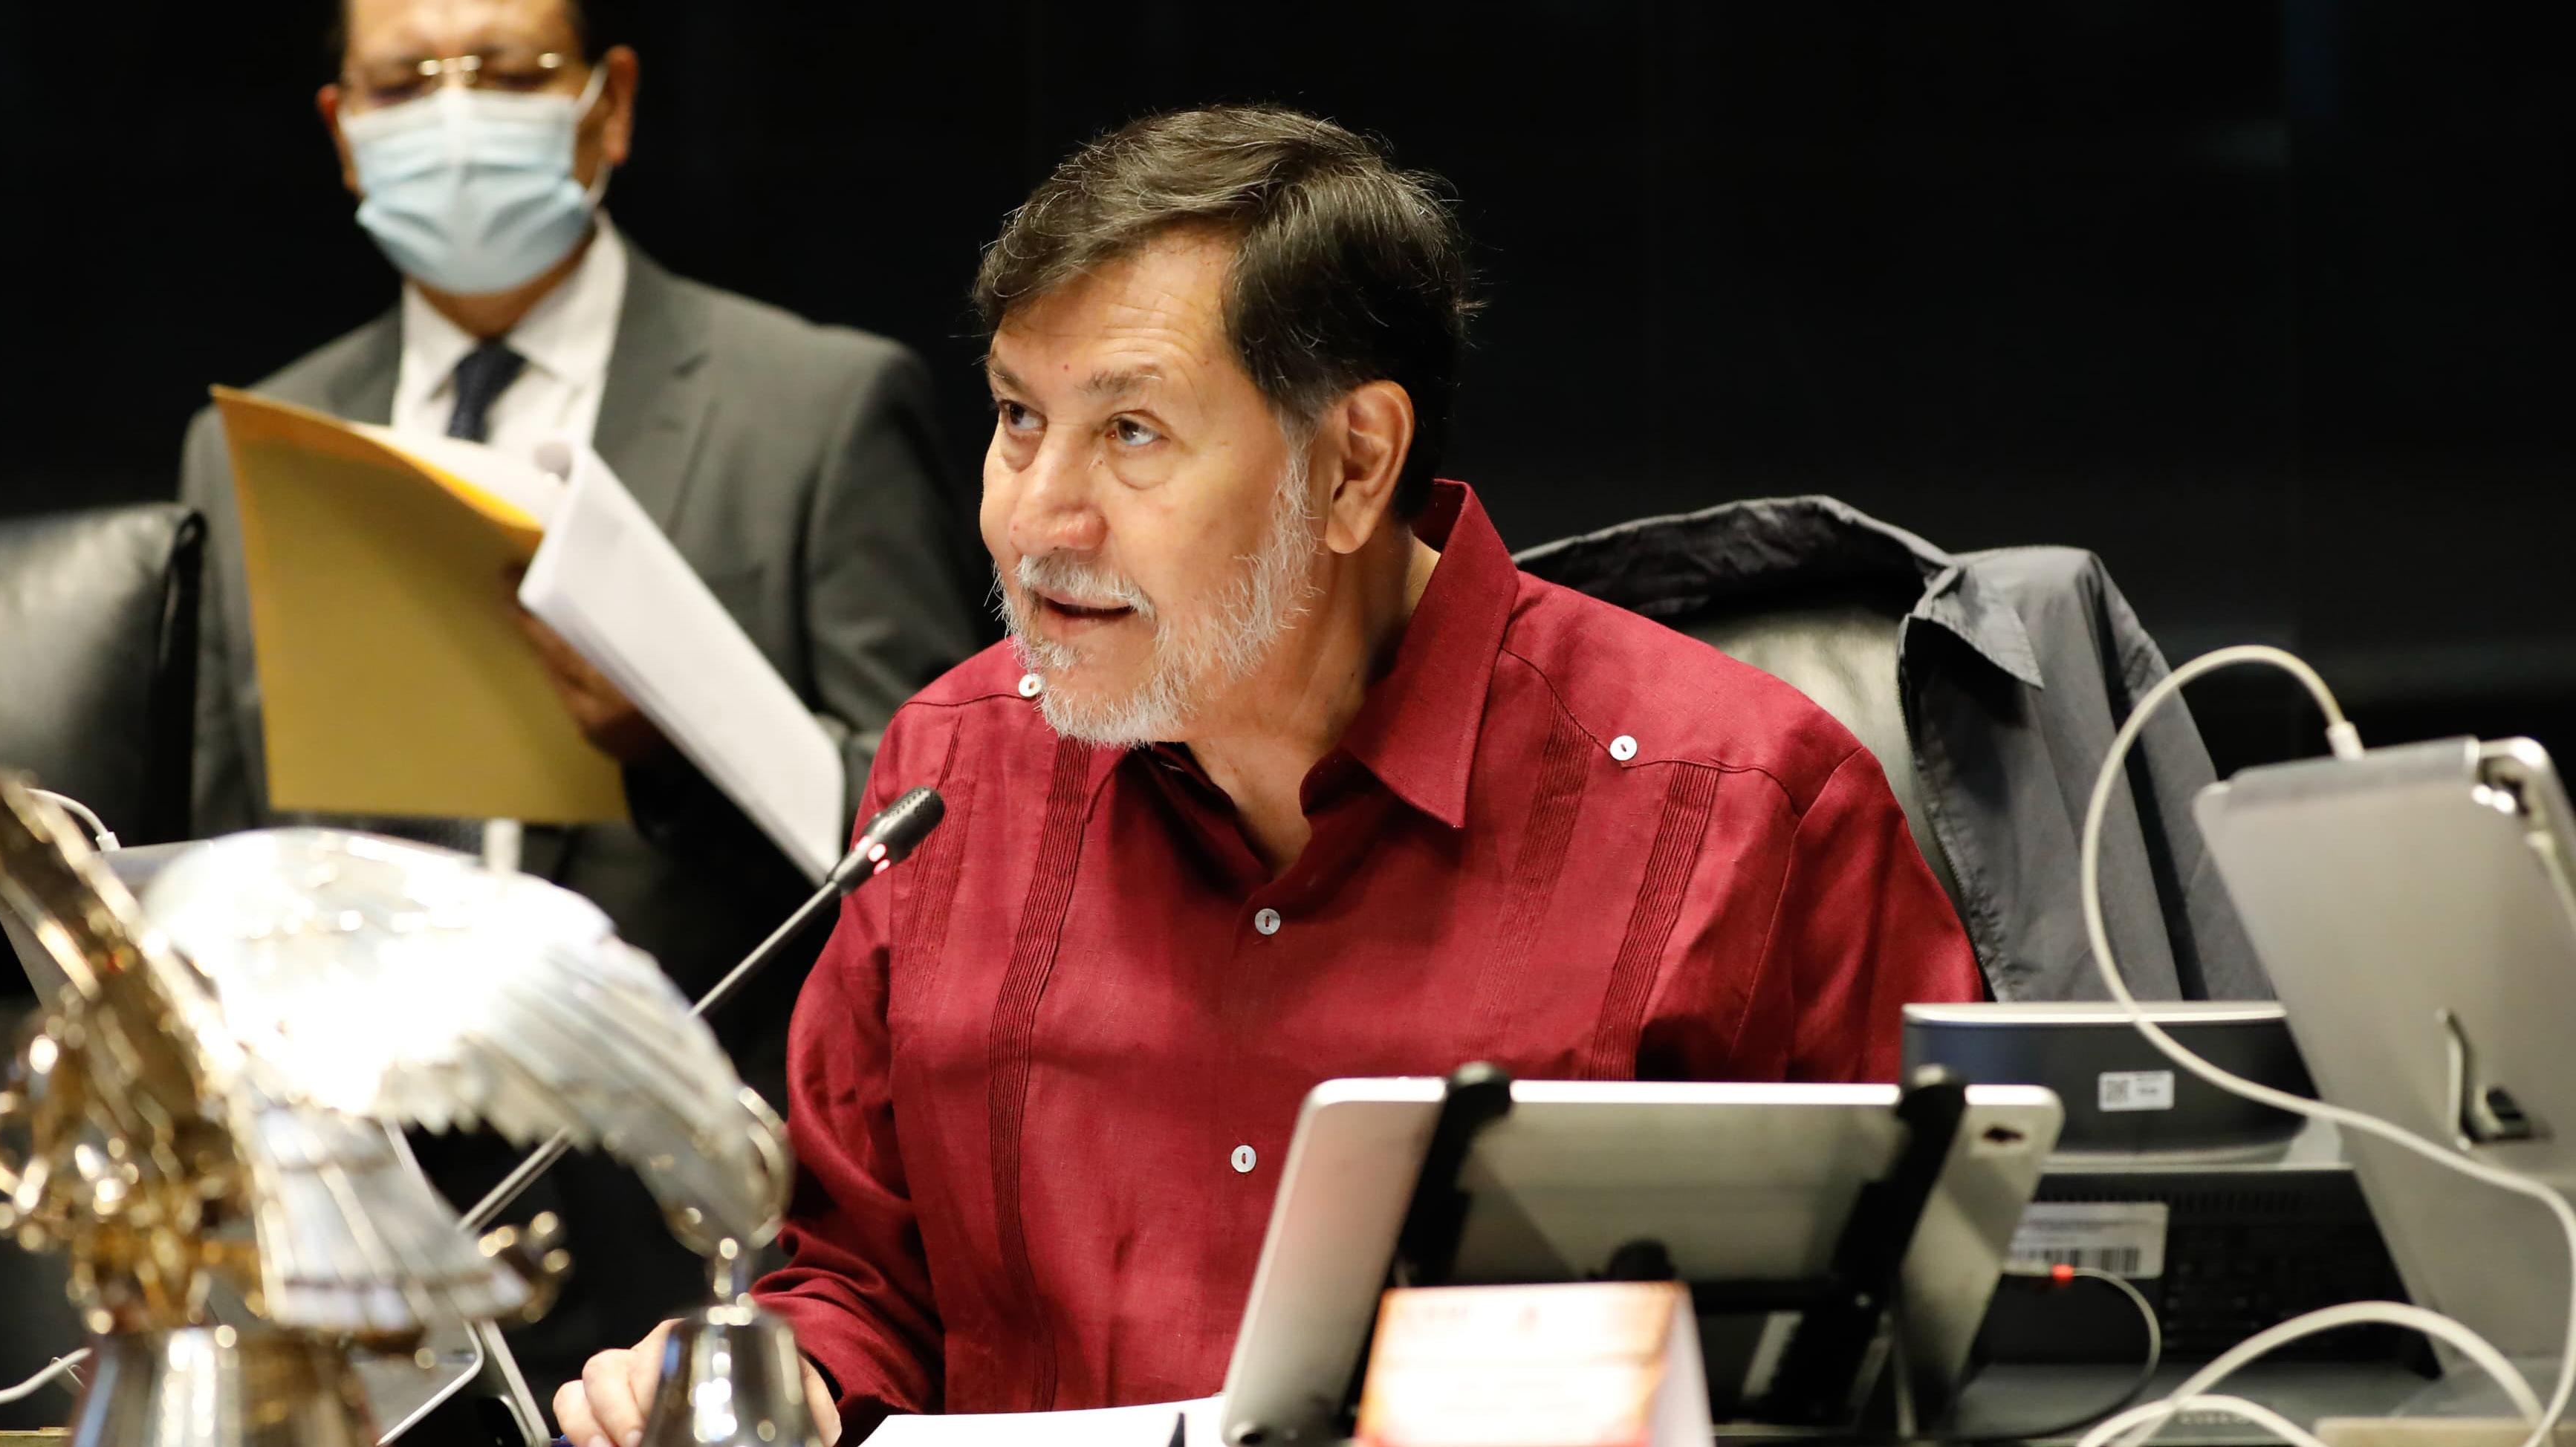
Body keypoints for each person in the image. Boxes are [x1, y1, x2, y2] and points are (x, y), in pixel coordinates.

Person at [554, 104, 1985, 1444]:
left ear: (1353, 466)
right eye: (1017, 417)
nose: (1036, 518)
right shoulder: (954, 775)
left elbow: (1941, 1348)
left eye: (1131, 433)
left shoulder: (1738, 805)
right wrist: (782, 1388)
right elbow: (863, 1283)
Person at [175, 0, 986, 1411]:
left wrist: (678, 734)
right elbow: (222, 851)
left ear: (607, 105)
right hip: (373, 1261)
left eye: (505, 72)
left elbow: (939, 834)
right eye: (405, 83)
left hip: (701, 1227)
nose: (455, 113)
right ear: (344, 132)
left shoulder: (812, 406)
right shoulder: (247, 446)